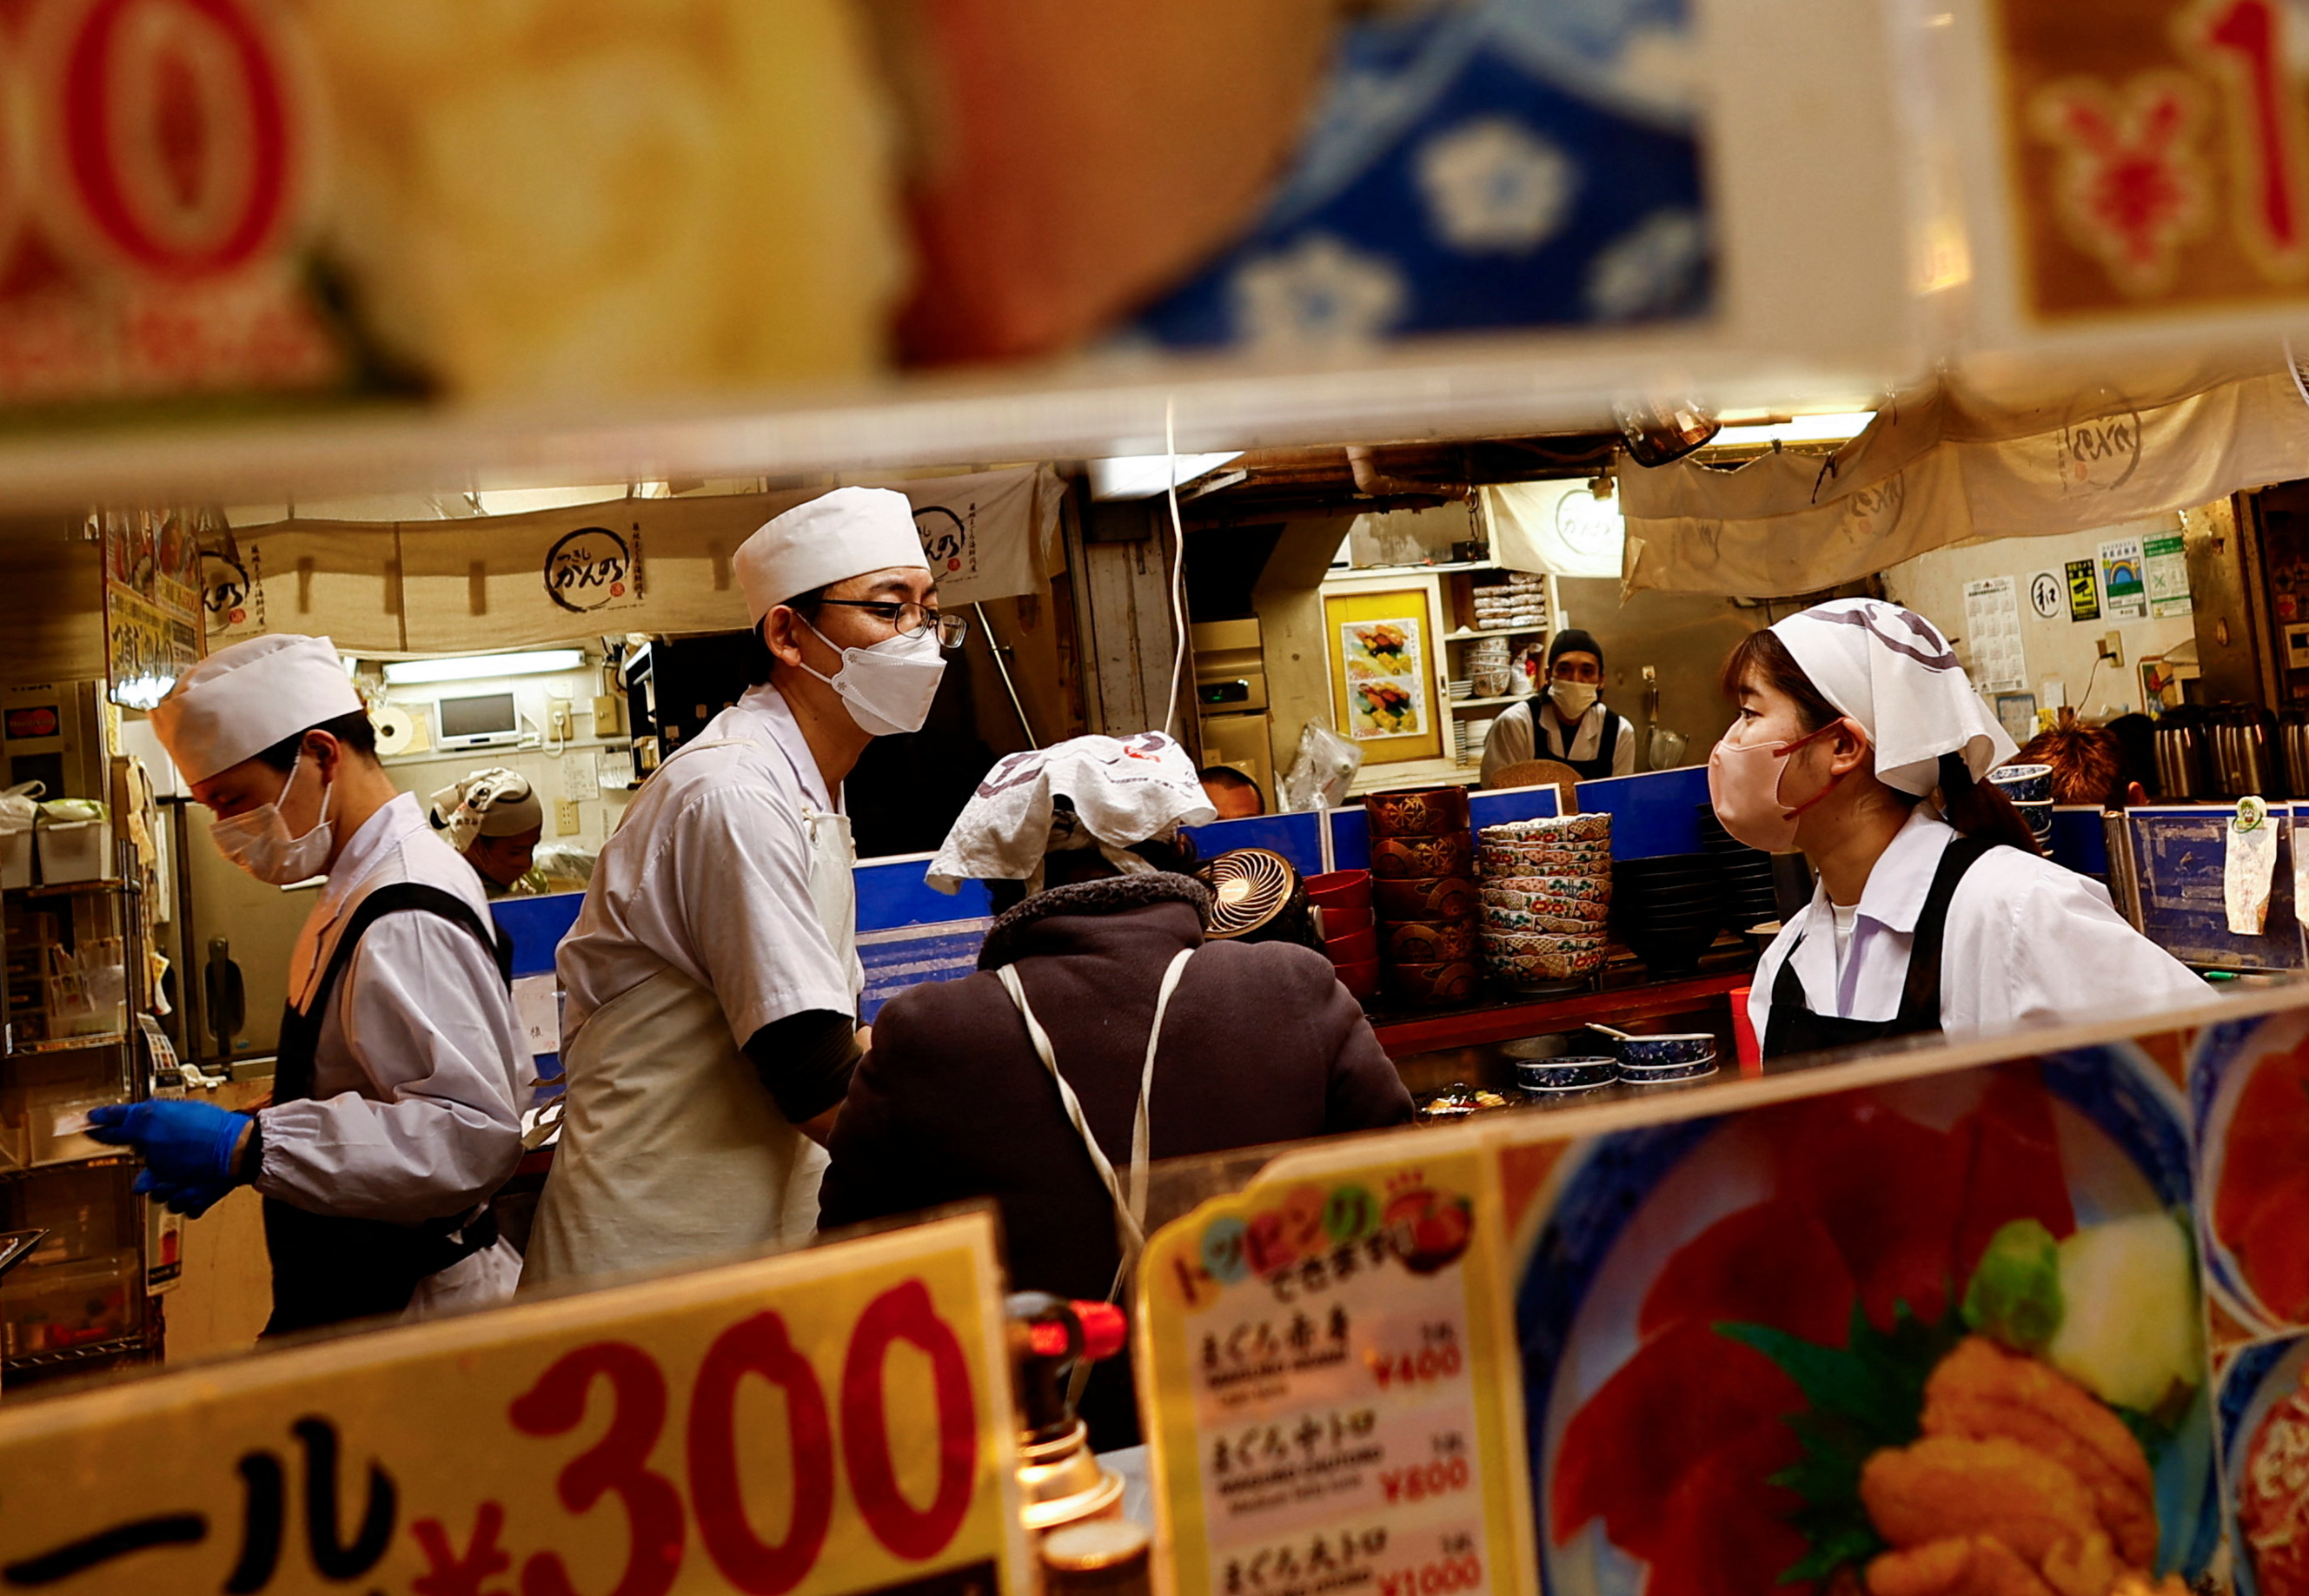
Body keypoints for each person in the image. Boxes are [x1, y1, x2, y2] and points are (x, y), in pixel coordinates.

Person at [824, 745, 1410, 1444]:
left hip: (1045, 1465)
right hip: (1284, 1444)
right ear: (1181, 858)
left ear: (1007, 885)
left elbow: (850, 1278)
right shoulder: (1294, 986)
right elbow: (1405, 1213)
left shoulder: (927, 1032)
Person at [530, 486, 947, 1295]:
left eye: (929, 611)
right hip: (652, 1256)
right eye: (889, 609)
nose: (921, 640)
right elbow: (812, 1073)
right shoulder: (732, 793)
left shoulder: (809, 785)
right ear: (789, 634)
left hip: (743, 1243)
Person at [92, 634, 529, 1334]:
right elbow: (377, 1077)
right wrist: (259, 1120)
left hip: (415, 1309)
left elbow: (469, 1134)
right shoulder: (363, 884)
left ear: (321, 755)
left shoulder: (404, 907)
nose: (227, 832)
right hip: (364, 1288)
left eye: (234, 801)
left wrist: (251, 1149)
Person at [1715, 599, 2205, 1066]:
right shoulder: (1784, 961)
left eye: (1748, 714)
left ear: (1843, 744)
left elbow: (2213, 1062)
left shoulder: (2016, 912)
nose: (1727, 744)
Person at [1478, 626, 1634, 781]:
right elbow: (1496, 795)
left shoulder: (1618, 731)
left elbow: (1620, 797)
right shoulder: (1516, 725)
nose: (1575, 679)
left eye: (1587, 671)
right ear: (1548, 676)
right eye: (1565, 669)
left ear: (1601, 680)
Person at [441, 769, 545, 899]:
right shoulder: (447, 895)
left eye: (532, 848)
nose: (527, 864)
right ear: (476, 844)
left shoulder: (531, 880)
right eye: (516, 852)